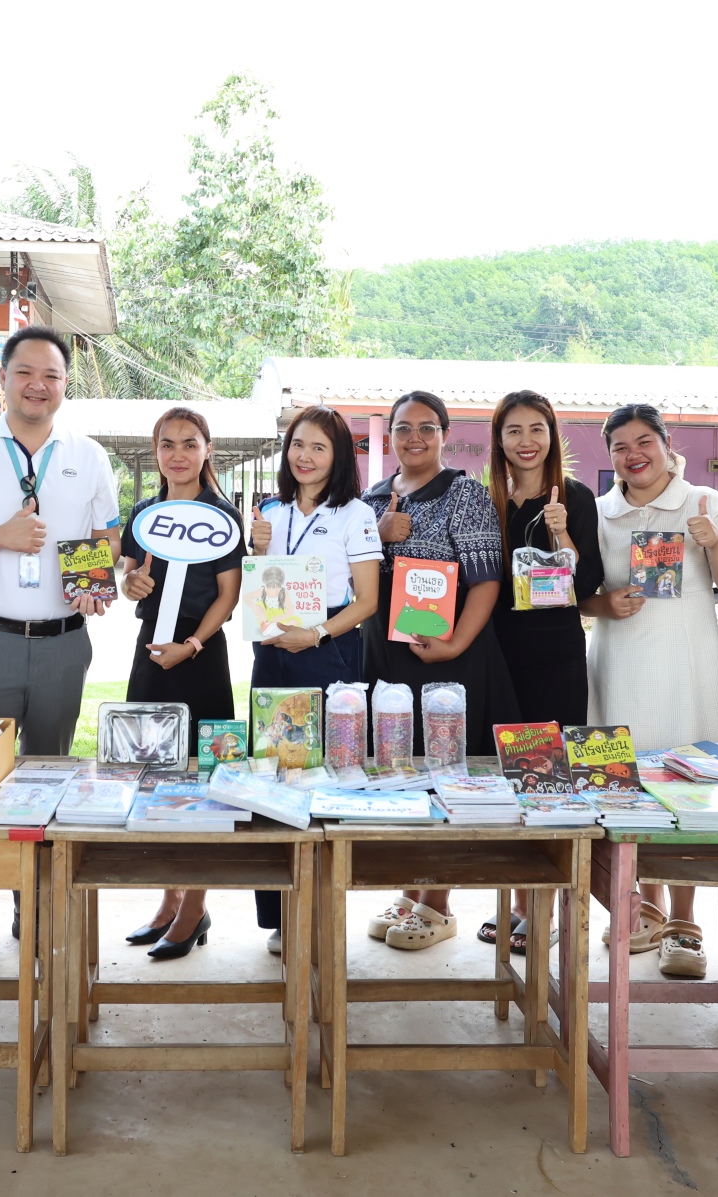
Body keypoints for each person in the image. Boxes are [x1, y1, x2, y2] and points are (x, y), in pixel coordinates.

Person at [0, 326, 120, 976]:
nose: (39, 385)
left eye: (52, 375)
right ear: (4, 378)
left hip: (64, 645)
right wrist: (1, 535)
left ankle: (33, 909)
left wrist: (92, 583)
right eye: (26, 372)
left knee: (49, 780)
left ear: (65, 385)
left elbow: (105, 536)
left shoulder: (88, 455)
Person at [583, 403, 718, 978]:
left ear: (666, 444)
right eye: (620, 447)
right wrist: (603, 604)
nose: (633, 455)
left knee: (688, 790)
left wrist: (714, 543)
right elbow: (576, 591)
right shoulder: (598, 511)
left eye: (644, 442)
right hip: (617, 667)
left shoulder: (702, 500)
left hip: (685, 669)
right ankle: (643, 904)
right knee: (621, 784)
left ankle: (685, 919)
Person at [359, 390, 519, 953]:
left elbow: (486, 581)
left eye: (427, 427)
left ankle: (440, 901)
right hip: (386, 654)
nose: (415, 438)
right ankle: (412, 888)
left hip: (450, 656)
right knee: (402, 766)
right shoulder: (371, 498)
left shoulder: (464, 494)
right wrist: (379, 536)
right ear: (390, 436)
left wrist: (454, 645)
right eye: (404, 427)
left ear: (444, 435)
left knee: (446, 768)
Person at [245, 404, 383, 953]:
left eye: (319, 447)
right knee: (270, 775)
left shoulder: (355, 515)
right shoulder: (272, 510)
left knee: (322, 779)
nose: (305, 456)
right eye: (298, 445)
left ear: (339, 455)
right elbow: (261, 582)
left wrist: (318, 634)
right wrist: (258, 548)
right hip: (271, 648)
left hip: (327, 650)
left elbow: (367, 601)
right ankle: (280, 918)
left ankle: (322, 914)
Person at [117, 409, 244, 960]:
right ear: (156, 452)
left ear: (207, 449)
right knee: (153, 780)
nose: (178, 454)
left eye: (189, 443)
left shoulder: (223, 516)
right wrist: (131, 582)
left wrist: (190, 645)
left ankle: (195, 907)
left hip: (201, 656)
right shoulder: (144, 513)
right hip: (151, 654)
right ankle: (169, 901)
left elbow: (228, 596)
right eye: (167, 444)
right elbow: (129, 576)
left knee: (204, 785)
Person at [483, 390, 605, 956]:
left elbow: (587, 583)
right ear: (499, 439)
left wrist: (561, 533)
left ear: (553, 436)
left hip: (554, 655)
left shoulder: (574, 497)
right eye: (514, 430)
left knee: (549, 780)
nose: (526, 441)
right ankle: (513, 900)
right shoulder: (485, 499)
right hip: (496, 652)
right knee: (506, 778)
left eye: (537, 429)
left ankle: (545, 909)